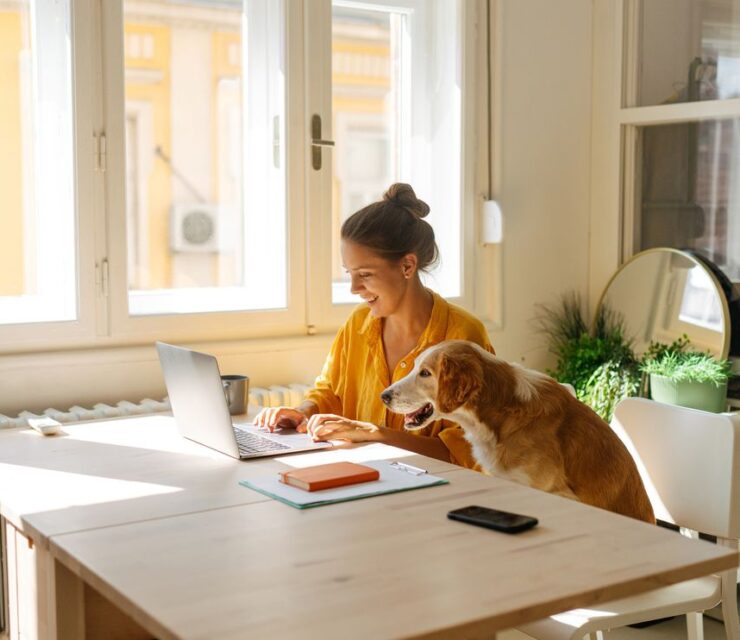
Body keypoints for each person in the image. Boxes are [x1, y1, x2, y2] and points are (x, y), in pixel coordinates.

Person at [254, 183, 494, 468]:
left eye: (365, 274)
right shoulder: (358, 323)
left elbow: (467, 453)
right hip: (362, 478)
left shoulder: (463, 336)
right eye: (350, 274)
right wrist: (301, 412)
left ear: (407, 266)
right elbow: (330, 391)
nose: (354, 287)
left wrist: (377, 435)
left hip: (435, 491)